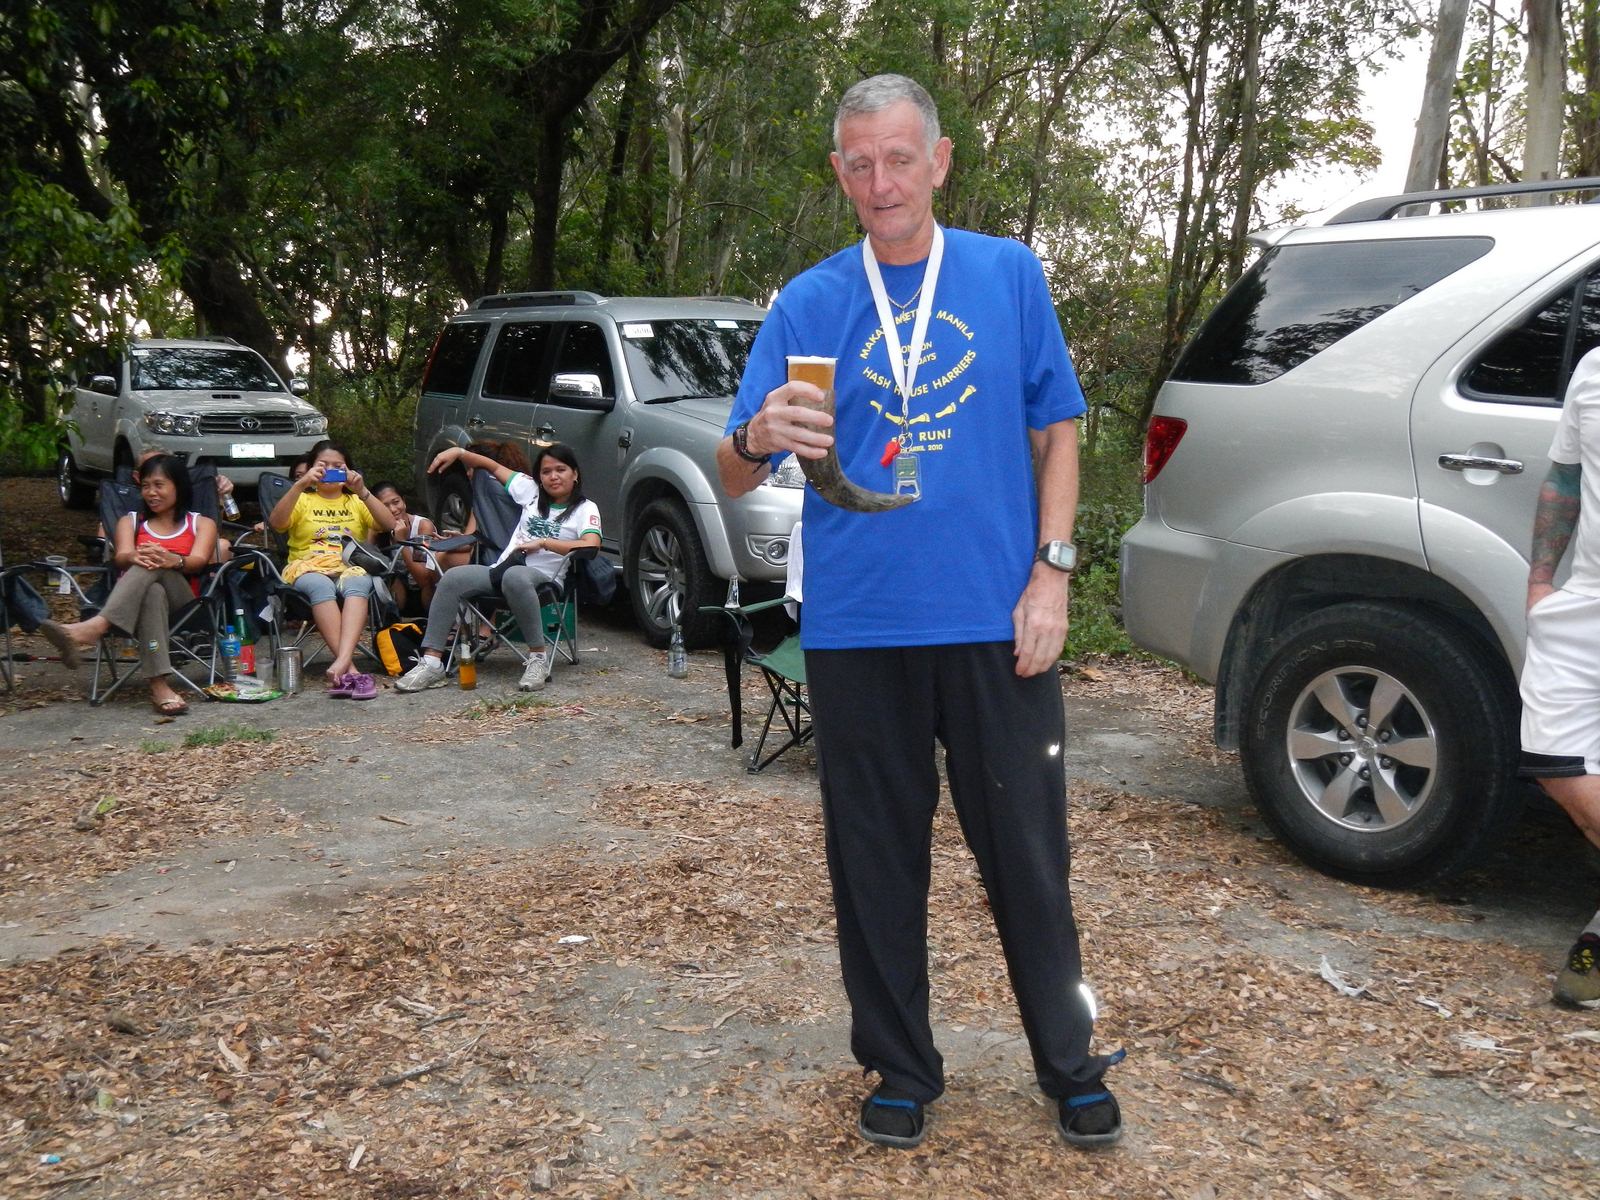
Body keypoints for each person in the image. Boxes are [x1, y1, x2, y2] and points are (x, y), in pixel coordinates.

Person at [717, 74, 1121, 1149]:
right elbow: (731, 472)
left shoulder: (1005, 273)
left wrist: (1053, 574)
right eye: (859, 163)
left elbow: (1058, 430)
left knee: (1027, 856)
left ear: (938, 161)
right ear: (838, 173)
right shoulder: (809, 302)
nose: (880, 182)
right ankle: (900, 1066)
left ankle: (1069, 1061)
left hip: (996, 620)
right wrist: (755, 435)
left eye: (899, 158)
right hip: (859, 627)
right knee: (875, 860)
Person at [1519, 344, 1600, 1010]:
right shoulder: (1594, 368)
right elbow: (1564, 476)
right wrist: (1541, 578)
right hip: (1585, 602)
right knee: (1553, 761)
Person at [395, 442, 600, 694]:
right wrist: (459, 453)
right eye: (546, 472)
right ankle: (432, 662)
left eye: (561, 470)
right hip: (502, 571)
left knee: (515, 576)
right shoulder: (531, 491)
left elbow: (591, 544)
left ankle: (538, 659)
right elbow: (490, 466)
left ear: (575, 474)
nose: (553, 476)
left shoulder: (585, 509)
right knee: (453, 578)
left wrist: (544, 543)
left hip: (546, 579)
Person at [39, 454, 219, 715]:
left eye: (159, 485)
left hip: (185, 603)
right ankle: (159, 687)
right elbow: (121, 557)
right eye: (145, 486)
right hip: (132, 605)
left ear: (178, 486)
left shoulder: (201, 523)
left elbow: (199, 562)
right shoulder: (131, 521)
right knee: (152, 590)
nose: (151, 492)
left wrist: (172, 559)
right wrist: (134, 556)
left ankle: (96, 626)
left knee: (155, 561)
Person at [267, 439, 401, 696]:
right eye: (322, 465)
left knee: (358, 582)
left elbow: (388, 524)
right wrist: (300, 484)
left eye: (338, 466)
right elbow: (277, 523)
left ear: (349, 470)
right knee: (320, 585)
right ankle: (350, 669)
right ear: (311, 468)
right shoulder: (302, 499)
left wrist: (362, 490)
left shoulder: (356, 501)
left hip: (349, 566)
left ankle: (341, 663)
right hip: (307, 566)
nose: (330, 471)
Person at [371, 481, 439, 615]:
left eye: (396, 502)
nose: (393, 509)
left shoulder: (423, 526)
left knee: (429, 580)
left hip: (427, 590)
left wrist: (403, 542)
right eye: (385, 506)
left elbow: (424, 578)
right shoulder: (377, 529)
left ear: (404, 501)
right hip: (400, 589)